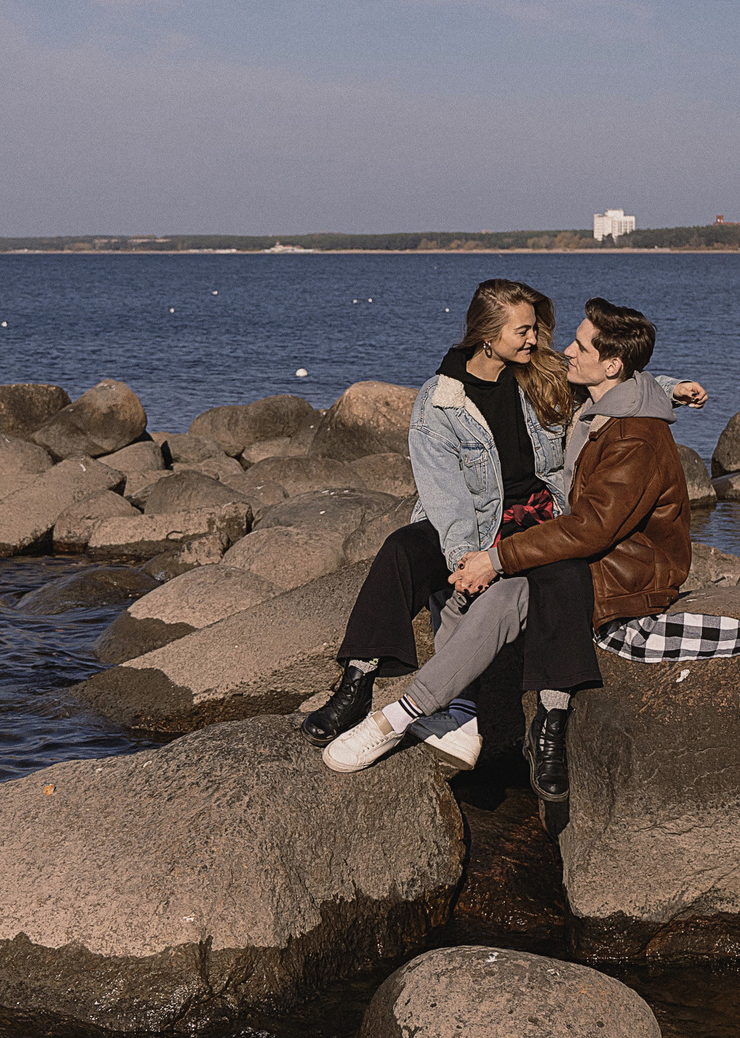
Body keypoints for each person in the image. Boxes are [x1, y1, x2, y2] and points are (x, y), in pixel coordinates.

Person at [298, 280, 702, 769]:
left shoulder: (540, 373)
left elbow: (614, 385)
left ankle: (461, 709)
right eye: (524, 330)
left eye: (536, 328)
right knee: (403, 549)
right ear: (489, 335)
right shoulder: (440, 402)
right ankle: (356, 683)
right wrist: (465, 563)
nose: (537, 339)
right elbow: (444, 496)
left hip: (539, 513)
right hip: (471, 519)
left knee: (521, 584)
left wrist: (670, 390)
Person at [447, 298, 696, 802]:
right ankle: (450, 706)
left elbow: (590, 529)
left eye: (580, 345)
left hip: (629, 574)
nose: (566, 351)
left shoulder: (635, 436)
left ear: (611, 366)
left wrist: (497, 558)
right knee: (498, 578)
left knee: (537, 576)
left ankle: (548, 722)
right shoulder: (602, 407)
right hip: (603, 550)